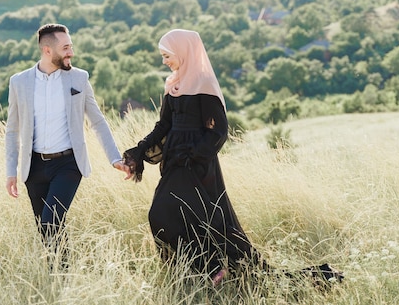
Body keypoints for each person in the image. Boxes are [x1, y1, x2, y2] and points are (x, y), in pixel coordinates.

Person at [123, 29, 343, 287]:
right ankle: (203, 273)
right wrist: (137, 152)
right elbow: (164, 127)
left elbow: (218, 131)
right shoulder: (173, 84)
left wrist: (192, 154)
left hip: (197, 166)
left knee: (178, 216)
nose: (164, 61)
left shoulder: (204, 84)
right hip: (174, 163)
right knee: (169, 217)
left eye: (167, 55)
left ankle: (214, 272)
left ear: (184, 52)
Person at [5, 23, 130, 259]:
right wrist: (11, 171)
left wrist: (115, 158)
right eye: (65, 48)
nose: (71, 52)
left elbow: (98, 121)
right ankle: (60, 280)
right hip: (33, 169)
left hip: (68, 165)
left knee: (51, 220)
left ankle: (62, 275)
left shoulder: (79, 78)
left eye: (70, 46)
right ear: (47, 50)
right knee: (46, 229)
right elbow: (12, 130)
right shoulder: (19, 82)